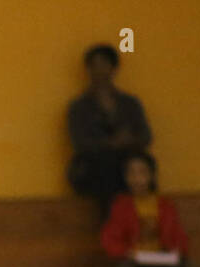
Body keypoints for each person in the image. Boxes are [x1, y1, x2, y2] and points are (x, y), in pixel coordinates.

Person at [101, 152, 200, 267]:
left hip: (162, 256)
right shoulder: (121, 206)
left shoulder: (165, 205)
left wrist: (176, 250)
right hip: (135, 257)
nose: (137, 179)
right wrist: (127, 252)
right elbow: (110, 238)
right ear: (126, 178)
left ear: (151, 175)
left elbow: (178, 235)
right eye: (132, 173)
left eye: (142, 172)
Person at [66, 45, 153, 215]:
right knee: (106, 168)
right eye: (94, 66)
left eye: (103, 64)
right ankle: (115, 226)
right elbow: (80, 144)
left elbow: (146, 137)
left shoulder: (130, 104)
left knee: (140, 167)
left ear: (113, 68)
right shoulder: (78, 107)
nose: (99, 71)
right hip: (94, 168)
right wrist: (111, 144)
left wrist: (128, 141)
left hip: (128, 164)